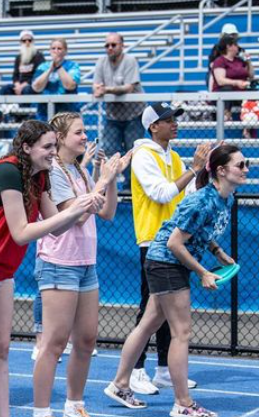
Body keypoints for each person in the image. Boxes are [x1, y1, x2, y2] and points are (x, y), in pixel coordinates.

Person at [0, 120, 104, 417]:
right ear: (26, 147)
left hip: (1, 265)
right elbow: (21, 232)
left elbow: (57, 228)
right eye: (47, 147)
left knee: (2, 349)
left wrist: (83, 207)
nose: (53, 152)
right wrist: (74, 209)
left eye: (54, 146)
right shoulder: (7, 172)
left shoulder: (40, 176)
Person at [104, 144, 246, 417]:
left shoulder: (225, 198)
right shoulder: (201, 200)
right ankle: (183, 404)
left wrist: (218, 252)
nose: (246, 169)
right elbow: (174, 243)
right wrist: (203, 272)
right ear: (221, 170)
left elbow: (201, 231)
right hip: (167, 263)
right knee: (182, 332)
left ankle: (120, 384)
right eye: (240, 165)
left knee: (148, 325)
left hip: (168, 262)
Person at [31, 112, 127, 417]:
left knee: (86, 340)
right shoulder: (53, 172)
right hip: (59, 263)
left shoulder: (80, 171)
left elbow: (107, 212)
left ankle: (74, 405)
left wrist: (111, 179)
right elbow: (77, 216)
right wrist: (103, 179)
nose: (85, 136)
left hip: (86, 263)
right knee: (54, 342)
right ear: (60, 138)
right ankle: (41, 411)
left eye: (85, 131)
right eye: (79, 132)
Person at [126, 103, 211, 395]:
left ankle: (163, 370)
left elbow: (188, 193)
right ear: (153, 127)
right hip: (153, 240)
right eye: (168, 119)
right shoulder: (142, 155)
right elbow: (161, 193)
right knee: (149, 307)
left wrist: (206, 170)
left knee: (166, 309)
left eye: (174, 119)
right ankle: (136, 370)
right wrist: (194, 169)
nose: (174, 123)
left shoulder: (172, 156)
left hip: (173, 241)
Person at [93, 32, 146, 190]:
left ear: (122, 45)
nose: (110, 48)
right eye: (107, 45)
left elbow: (129, 88)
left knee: (133, 152)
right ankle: (108, 187)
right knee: (109, 151)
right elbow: (96, 86)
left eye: (113, 45)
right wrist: (100, 89)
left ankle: (131, 188)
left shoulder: (130, 60)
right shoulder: (101, 62)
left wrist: (106, 89)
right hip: (113, 115)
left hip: (134, 115)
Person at [32, 38, 81, 120]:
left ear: (65, 51)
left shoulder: (72, 65)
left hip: (67, 113)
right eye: (53, 48)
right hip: (45, 112)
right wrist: (49, 70)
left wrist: (58, 66)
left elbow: (70, 85)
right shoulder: (43, 67)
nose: (56, 51)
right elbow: (36, 87)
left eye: (59, 48)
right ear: (50, 51)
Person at [211, 35, 254, 124]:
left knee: (253, 90)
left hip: (240, 93)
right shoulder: (220, 61)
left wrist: (248, 61)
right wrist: (237, 83)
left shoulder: (239, 61)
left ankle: (249, 125)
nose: (238, 46)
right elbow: (220, 81)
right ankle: (226, 115)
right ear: (229, 46)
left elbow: (251, 76)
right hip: (224, 94)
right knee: (227, 89)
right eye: (236, 44)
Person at [0, 30, 45, 98]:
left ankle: (24, 105)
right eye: (24, 40)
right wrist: (18, 85)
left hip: (33, 86)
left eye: (29, 40)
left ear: (33, 41)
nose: (27, 42)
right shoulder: (18, 57)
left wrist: (23, 85)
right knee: (4, 89)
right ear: (21, 42)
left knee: (26, 90)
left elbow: (38, 75)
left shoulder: (38, 56)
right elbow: (15, 75)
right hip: (19, 85)